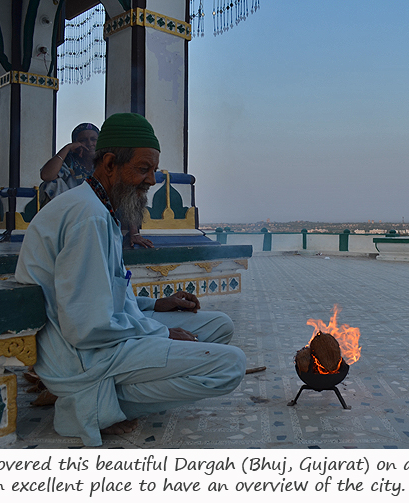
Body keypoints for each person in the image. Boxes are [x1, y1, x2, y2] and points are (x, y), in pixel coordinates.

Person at [15, 113, 246, 446]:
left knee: (218, 325)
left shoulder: (101, 208)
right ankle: (90, 406)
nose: (152, 180)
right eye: (142, 169)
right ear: (110, 164)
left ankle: (110, 392)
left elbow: (103, 293)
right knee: (230, 365)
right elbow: (87, 326)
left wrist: (155, 304)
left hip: (100, 335)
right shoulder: (88, 217)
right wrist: (162, 331)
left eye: (153, 170)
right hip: (81, 355)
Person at [40, 122, 153, 248]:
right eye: (83, 140)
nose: (89, 143)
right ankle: (57, 232)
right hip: (74, 212)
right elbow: (46, 175)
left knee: (130, 184)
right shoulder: (70, 160)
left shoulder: (108, 160)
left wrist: (134, 233)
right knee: (51, 184)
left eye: (94, 139)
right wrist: (67, 148)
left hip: (102, 211)